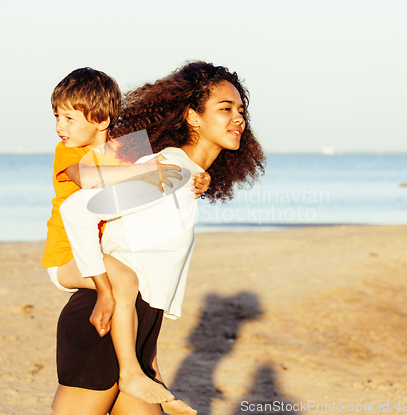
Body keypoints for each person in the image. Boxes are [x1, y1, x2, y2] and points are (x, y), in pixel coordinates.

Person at [51, 61, 265, 415]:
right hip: (103, 324)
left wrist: (148, 358)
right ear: (193, 117)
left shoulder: (183, 174)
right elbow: (77, 209)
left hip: (136, 329)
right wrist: (104, 288)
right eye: (225, 108)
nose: (238, 118)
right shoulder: (166, 171)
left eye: (240, 110)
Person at [43, 67, 211, 405]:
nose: (60, 127)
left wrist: (197, 180)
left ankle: (151, 372)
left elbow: (153, 185)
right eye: (57, 117)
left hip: (95, 252)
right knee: (124, 280)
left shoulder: (123, 151)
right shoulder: (71, 154)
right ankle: (131, 372)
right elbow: (91, 179)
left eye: (69, 118)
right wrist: (104, 292)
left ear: (101, 121)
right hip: (66, 257)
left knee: (137, 293)